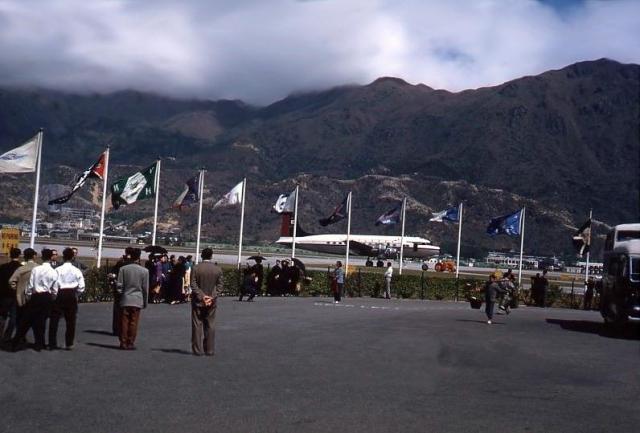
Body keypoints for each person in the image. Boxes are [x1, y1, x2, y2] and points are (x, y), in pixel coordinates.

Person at [20, 248, 58, 351]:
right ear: (51, 258)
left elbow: (30, 285)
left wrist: (28, 295)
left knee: (31, 319)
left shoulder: (36, 269)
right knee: (43, 320)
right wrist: (53, 297)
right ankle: (40, 343)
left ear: (42, 257)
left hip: (35, 296)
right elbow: (55, 289)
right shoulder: (53, 272)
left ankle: (31, 341)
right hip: (46, 296)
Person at [48, 247, 85, 350]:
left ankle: (52, 343)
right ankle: (69, 343)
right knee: (71, 321)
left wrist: (54, 295)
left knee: (54, 320)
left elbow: (54, 284)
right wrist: (76, 294)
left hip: (60, 294)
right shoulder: (77, 270)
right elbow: (81, 286)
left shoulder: (58, 270)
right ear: (72, 256)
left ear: (63, 257)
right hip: (71, 294)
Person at [190, 247, 223, 357]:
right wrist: (211, 297)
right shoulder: (217, 269)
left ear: (202, 255)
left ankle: (197, 350)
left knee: (197, 325)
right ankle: (209, 349)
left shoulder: (196, 268)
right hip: (211, 302)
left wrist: (202, 296)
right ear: (211, 256)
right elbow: (220, 286)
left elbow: (193, 284)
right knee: (210, 325)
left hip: (198, 301)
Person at [116, 248, 148, 350]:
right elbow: (145, 288)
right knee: (134, 322)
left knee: (124, 322)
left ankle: (123, 342)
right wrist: (145, 301)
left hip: (125, 298)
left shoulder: (123, 269)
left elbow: (119, 286)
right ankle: (130, 342)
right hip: (137, 299)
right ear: (139, 257)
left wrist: (121, 294)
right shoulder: (144, 271)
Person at [8, 248, 37, 346]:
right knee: (35, 320)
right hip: (35, 296)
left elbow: (12, 280)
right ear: (34, 256)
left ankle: (19, 338)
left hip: (21, 296)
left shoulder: (21, 268)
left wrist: (16, 289)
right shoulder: (38, 268)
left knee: (20, 318)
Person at [0, 247, 22, 342]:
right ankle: (7, 336)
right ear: (19, 255)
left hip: (4, 295)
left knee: (2, 316)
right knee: (13, 318)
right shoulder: (21, 268)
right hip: (16, 295)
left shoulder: (3, 267)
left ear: (10, 255)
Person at [110, 249, 132, 336]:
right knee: (124, 312)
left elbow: (113, 272)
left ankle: (118, 329)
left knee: (118, 311)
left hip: (120, 289)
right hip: (126, 290)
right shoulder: (125, 263)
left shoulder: (121, 263)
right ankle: (123, 330)